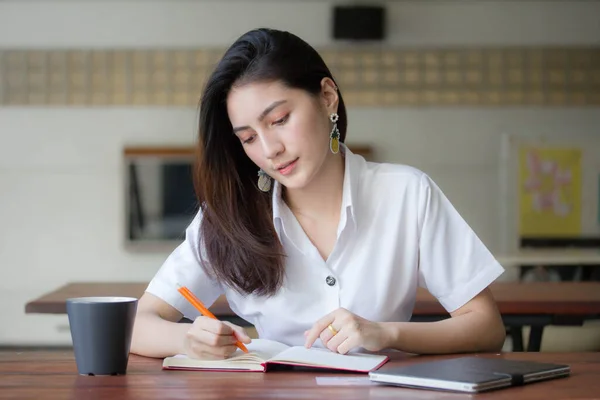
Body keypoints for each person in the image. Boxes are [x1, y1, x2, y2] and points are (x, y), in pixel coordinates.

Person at [130, 28, 506, 360]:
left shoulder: (406, 193)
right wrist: (187, 338)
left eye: (279, 121)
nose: (269, 149)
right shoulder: (230, 215)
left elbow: (486, 327)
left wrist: (386, 333)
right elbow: (137, 325)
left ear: (328, 97)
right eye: (248, 138)